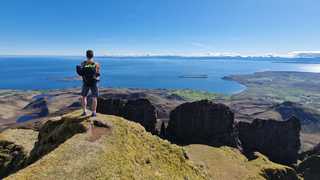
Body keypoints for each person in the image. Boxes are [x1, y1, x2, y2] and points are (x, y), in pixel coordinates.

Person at [78, 50, 100, 117]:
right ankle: (94, 113)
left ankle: (84, 111)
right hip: (94, 83)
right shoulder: (96, 64)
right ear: (93, 55)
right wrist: (97, 80)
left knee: (84, 97)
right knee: (94, 98)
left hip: (85, 82)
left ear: (86, 55)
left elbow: (81, 73)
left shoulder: (83, 63)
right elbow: (98, 74)